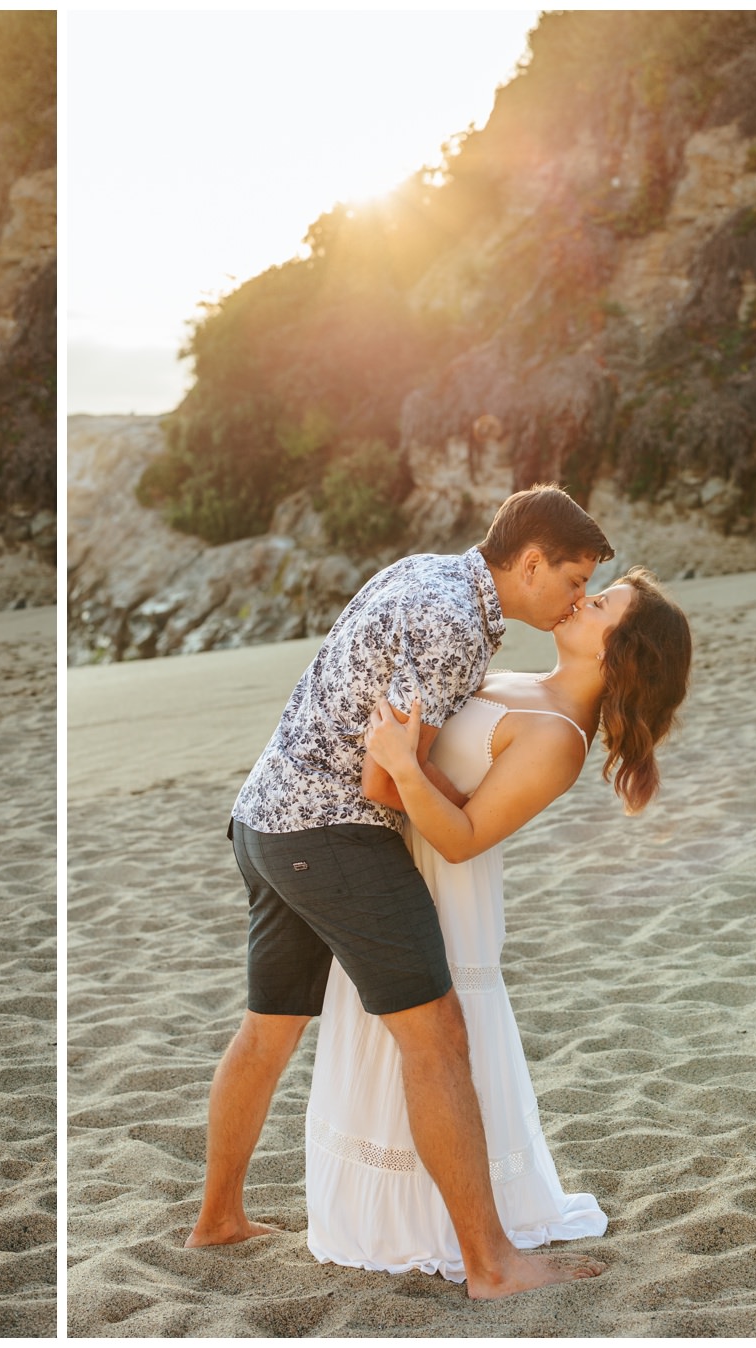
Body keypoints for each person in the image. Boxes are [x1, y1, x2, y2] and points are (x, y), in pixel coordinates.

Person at [187, 484, 617, 1300]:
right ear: (530, 563)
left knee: (267, 1031)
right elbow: (386, 782)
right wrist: (465, 814)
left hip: (266, 815)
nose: (573, 600)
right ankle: (492, 1265)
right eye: (571, 580)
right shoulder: (455, 626)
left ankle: (218, 1220)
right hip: (332, 837)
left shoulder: (424, 574)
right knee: (439, 1037)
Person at [307, 568, 691, 1282]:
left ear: (621, 652)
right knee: (393, 1044)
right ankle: (395, 1219)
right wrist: (404, 760)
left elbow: (462, 837)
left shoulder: (559, 740)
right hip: (395, 862)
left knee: (433, 1047)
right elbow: (451, 775)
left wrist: (400, 764)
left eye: (601, 602)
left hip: (445, 888)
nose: (583, 597)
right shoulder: (523, 680)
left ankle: (452, 1231)